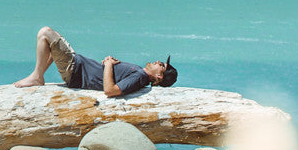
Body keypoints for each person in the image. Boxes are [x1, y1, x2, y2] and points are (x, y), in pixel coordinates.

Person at [13, 26, 176, 97]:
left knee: (45, 33)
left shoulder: (139, 77)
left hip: (75, 71)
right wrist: (108, 64)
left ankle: (37, 76)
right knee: (52, 36)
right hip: (77, 65)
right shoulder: (139, 73)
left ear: (159, 77)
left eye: (160, 65)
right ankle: (38, 75)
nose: (157, 61)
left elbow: (110, 91)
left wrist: (108, 65)